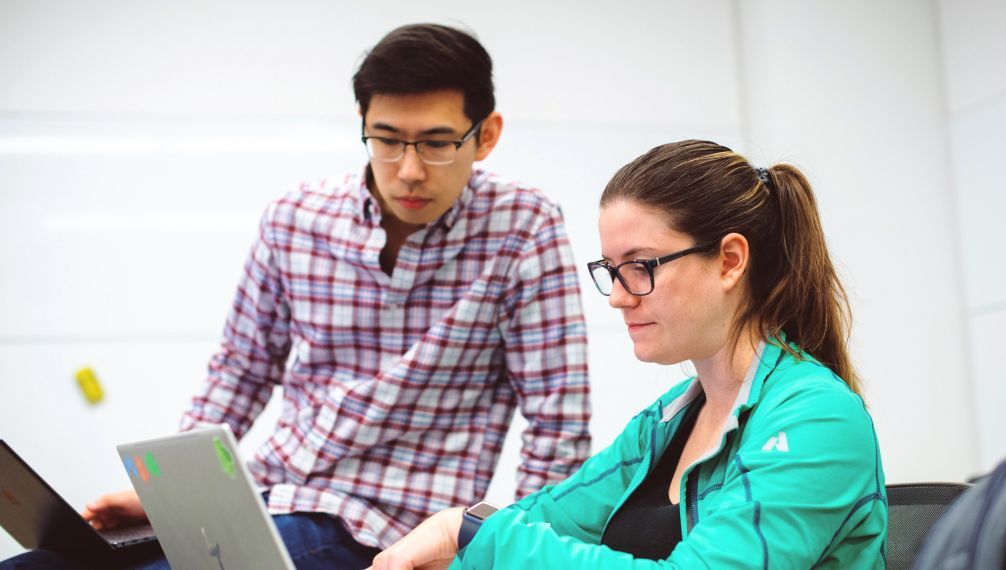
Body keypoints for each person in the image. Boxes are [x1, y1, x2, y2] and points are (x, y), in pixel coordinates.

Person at [1, 23, 591, 570]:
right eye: (386, 139)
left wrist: (509, 554)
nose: (409, 170)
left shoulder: (524, 227)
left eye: (437, 143)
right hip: (262, 499)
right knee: (43, 562)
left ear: (485, 135)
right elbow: (240, 368)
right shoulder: (296, 217)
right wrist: (169, 498)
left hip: (387, 531)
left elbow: (556, 417)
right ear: (362, 124)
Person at [369, 140, 888, 569]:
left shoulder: (818, 418)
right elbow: (548, 519)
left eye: (640, 267)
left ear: (729, 261)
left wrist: (472, 532)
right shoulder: (663, 425)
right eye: (611, 271)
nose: (619, 295)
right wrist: (448, 551)